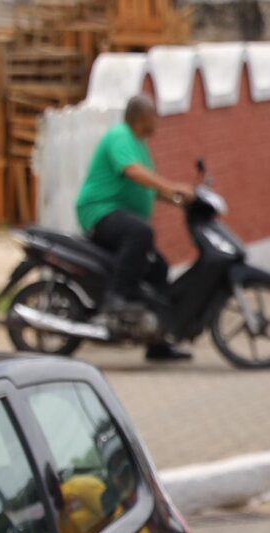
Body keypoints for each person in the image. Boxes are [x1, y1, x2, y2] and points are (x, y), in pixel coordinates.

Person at [75, 91, 195, 362]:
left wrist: (181, 199)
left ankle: (158, 343)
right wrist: (172, 187)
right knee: (140, 232)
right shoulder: (120, 136)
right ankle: (115, 298)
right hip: (99, 211)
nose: (157, 122)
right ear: (141, 117)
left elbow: (149, 188)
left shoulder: (139, 143)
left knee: (159, 268)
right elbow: (133, 172)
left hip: (119, 214)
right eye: (154, 116)